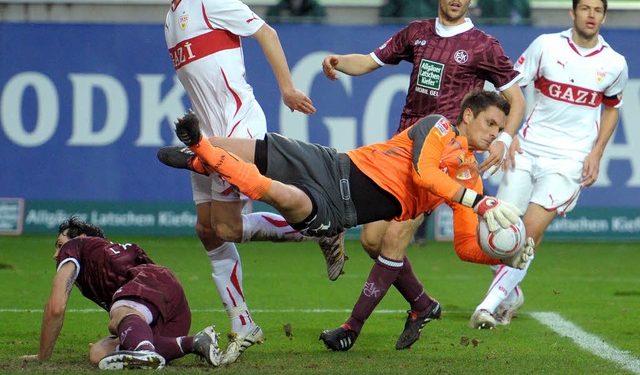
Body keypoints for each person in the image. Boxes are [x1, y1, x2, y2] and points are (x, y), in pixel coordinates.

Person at [158, 90, 535, 350]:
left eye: (500, 130)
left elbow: (466, 245)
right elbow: (424, 170)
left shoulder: (469, 177)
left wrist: (503, 256)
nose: (494, 135)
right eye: (490, 124)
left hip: (337, 210)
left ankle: (199, 151)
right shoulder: (437, 126)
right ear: (468, 116)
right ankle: (202, 153)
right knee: (246, 149)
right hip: (331, 162)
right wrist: (479, 201)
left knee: (277, 193)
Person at [142, 0, 344, 365]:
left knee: (230, 228)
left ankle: (320, 226)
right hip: (205, 137)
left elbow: (266, 32)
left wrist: (288, 89)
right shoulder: (169, 18)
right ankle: (243, 322)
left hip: (236, 127)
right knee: (206, 228)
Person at [320, 0, 526, 348]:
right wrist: (337, 62)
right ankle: (422, 302)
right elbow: (370, 60)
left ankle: (351, 329)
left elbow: (516, 97)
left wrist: (503, 138)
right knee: (372, 240)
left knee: (395, 237)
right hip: (404, 150)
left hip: (443, 157)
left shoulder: (484, 45)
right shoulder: (416, 33)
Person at [469, 0, 629, 329]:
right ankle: (511, 293)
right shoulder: (546, 46)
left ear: (603, 16)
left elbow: (613, 109)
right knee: (497, 234)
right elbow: (510, 92)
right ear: (572, 13)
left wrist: (597, 153)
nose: (590, 15)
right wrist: (505, 136)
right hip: (526, 150)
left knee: (528, 232)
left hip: (569, 161)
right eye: (584, 8)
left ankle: (488, 305)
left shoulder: (614, 64)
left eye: (597, 10)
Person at [21, 216, 223, 370]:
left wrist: (42, 357)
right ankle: (193, 342)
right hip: (171, 306)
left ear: (81, 239)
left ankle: (143, 352)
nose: (56, 255)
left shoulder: (76, 246)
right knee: (98, 353)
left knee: (118, 318)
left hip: (146, 286)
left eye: (59, 245)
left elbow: (56, 308)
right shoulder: (107, 259)